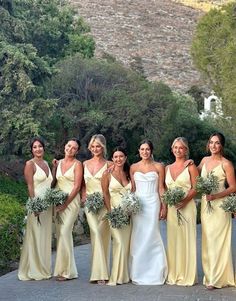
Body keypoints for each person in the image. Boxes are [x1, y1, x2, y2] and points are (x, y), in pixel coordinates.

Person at [198, 132, 236, 289]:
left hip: (220, 206)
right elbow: (194, 176)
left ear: (222, 145)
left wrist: (216, 196)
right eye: (211, 142)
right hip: (206, 207)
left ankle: (216, 278)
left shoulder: (226, 164)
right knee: (208, 240)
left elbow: (233, 187)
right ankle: (209, 275)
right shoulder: (204, 160)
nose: (214, 145)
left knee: (217, 241)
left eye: (217, 143)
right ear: (208, 144)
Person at [130, 139, 167, 285]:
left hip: (153, 203)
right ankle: (138, 271)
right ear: (139, 151)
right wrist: (129, 204)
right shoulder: (133, 167)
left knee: (152, 235)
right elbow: (132, 188)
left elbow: (161, 188)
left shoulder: (159, 166)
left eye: (147, 149)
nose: (144, 152)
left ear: (151, 151)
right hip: (138, 204)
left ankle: (155, 271)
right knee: (138, 236)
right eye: (142, 149)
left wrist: (164, 207)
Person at [18, 137, 53, 280]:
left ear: (44, 148)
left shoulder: (46, 163)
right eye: (35, 147)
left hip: (48, 205)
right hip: (37, 205)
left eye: (40, 146)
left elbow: (50, 183)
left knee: (45, 236)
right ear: (31, 150)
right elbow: (30, 186)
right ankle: (34, 269)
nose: (38, 149)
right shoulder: (29, 164)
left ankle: (44, 267)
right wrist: (34, 205)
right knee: (35, 236)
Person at [165, 137, 198, 286]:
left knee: (186, 238)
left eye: (181, 148)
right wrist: (166, 206)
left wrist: (184, 201)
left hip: (187, 207)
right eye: (175, 147)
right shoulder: (167, 168)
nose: (178, 150)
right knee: (173, 240)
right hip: (172, 209)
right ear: (172, 149)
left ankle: (187, 274)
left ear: (186, 150)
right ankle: (174, 273)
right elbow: (165, 190)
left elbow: (196, 188)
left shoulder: (190, 166)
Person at [82, 134, 111, 284]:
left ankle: (99, 271)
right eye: (93, 146)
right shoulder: (84, 164)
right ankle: (100, 274)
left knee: (102, 237)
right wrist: (83, 196)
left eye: (98, 146)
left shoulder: (110, 164)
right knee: (95, 233)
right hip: (89, 205)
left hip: (104, 204)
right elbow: (82, 185)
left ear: (103, 147)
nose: (95, 149)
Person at [53, 138, 83, 281]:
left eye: (74, 148)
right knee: (61, 234)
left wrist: (65, 204)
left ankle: (67, 271)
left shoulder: (78, 165)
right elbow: (54, 182)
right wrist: (54, 168)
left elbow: (77, 186)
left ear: (77, 151)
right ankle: (63, 269)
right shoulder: (58, 163)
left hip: (71, 202)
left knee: (65, 232)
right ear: (65, 146)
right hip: (58, 202)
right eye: (69, 146)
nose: (70, 149)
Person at [101, 147, 131, 286]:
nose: (118, 159)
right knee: (118, 242)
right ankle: (116, 275)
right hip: (115, 213)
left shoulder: (129, 173)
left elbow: (134, 191)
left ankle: (125, 275)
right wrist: (110, 211)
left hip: (128, 214)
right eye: (115, 157)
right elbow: (105, 194)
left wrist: (132, 207)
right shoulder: (107, 174)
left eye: (121, 156)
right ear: (112, 159)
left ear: (125, 158)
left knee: (126, 244)